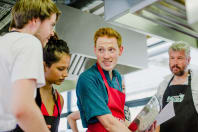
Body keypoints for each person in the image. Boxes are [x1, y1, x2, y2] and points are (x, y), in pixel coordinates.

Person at [0, 0, 60, 131]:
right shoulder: (29, 42)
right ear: (34, 20)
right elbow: (23, 108)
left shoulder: (4, 42)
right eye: (51, 25)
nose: (52, 33)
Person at [76, 27, 131, 132]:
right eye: (101, 50)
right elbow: (108, 123)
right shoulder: (87, 79)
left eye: (111, 50)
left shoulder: (117, 77)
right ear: (95, 50)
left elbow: (119, 119)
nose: (106, 56)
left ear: (120, 50)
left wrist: (140, 127)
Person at [14, 35, 71, 132]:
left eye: (67, 69)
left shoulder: (59, 100)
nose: (66, 74)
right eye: (61, 69)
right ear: (44, 66)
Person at [156, 41, 198, 132]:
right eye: (172, 58)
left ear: (188, 60)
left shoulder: (196, 82)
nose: (175, 63)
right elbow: (158, 118)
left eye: (179, 58)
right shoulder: (163, 86)